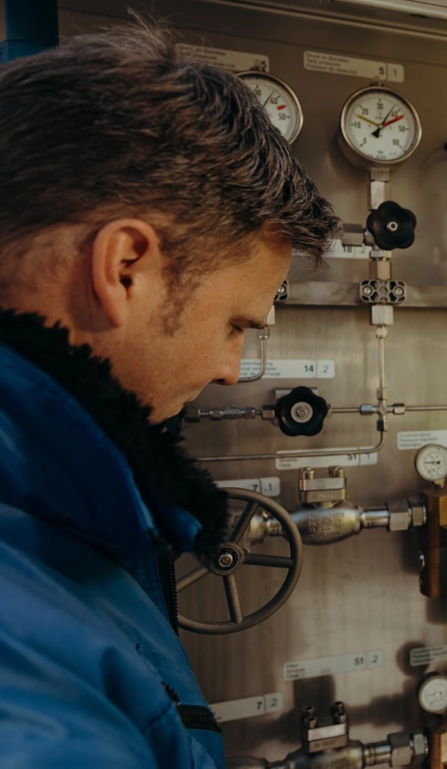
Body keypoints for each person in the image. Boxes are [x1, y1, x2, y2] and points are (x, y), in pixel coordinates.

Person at [0, 22, 339, 768]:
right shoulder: (27, 685)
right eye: (235, 324)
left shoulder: (68, 513)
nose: (228, 367)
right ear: (125, 267)